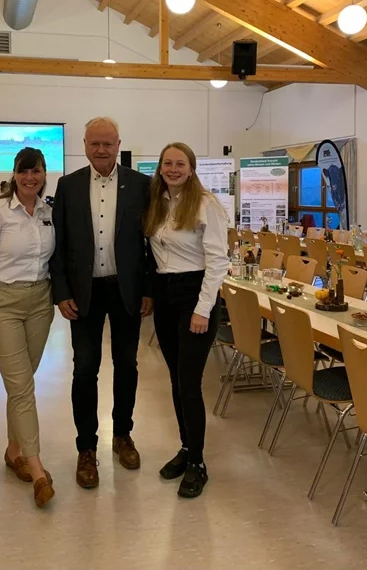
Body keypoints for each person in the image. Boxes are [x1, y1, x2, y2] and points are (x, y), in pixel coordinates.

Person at [51, 117, 153, 489]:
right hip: (84, 294)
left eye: (108, 143)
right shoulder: (68, 186)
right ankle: (86, 448)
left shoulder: (141, 185)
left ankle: (123, 434)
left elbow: (152, 242)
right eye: (94, 143)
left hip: (127, 291)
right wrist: (61, 292)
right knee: (84, 369)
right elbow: (58, 244)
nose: (101, 150)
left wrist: (148, 289)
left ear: (118, 145)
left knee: (126, 365)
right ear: (84, 145)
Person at [0, 147, 55, 509]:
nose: (30, 178)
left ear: (44, 174)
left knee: (22, 383)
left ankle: (13, 450)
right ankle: (36, 469)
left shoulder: (49, 212)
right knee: (21, 388)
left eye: (36, 171)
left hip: (40, 303)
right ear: (14, 174)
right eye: (24, 171)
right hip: (3, 304)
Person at [145, 142, 229, 499]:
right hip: (165, 295)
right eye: (168, 163)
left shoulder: (206, 205)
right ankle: (186, 446)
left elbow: (218, 261)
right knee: (176, 380)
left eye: (180, 164)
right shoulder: (158, 203)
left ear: (191, 169)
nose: (173, 169)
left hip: (195, 295)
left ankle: (197, 463)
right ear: (160, 168)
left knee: (189, 383)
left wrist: (202, 309)